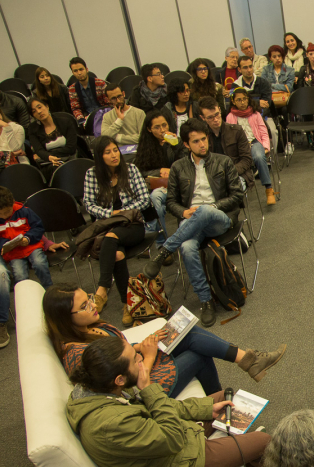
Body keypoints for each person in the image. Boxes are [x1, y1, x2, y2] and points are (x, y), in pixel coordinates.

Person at [65, 336, 271, 467]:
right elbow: (173, 439)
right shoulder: (111, 423)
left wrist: (208, 408)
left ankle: (246, 461)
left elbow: (157, 410)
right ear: (119, 379)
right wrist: (148, 389)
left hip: (161, 446)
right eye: (135, 359)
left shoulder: (101, 388)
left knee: (222, 400)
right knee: (264, 441)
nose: (140, 358)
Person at [44, 284, 287, 398]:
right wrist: (147, 358)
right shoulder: (76, 354)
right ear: (66, 318)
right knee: (198, 355)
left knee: (186, 333)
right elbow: (120, 389)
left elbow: (119, 349)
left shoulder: (89, 326)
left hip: (138, 361)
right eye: (84, 305)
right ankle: (223, 400)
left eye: (89, 298)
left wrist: (141, 345)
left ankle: (248, 360)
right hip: (142, 387)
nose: (93, 304)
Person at [144, 119, 245, 328]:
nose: (202, 144)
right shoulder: (178, 167)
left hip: (220, 217)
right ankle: (205, 300)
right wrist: (183, 211)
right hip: (192, 222)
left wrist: (212, 207)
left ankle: (164, 251)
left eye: (204, 139)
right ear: (186, 145)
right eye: (196, 141)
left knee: (205, 210)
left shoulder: (223, 161)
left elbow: (237, 194)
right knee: (188, 247)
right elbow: (171, 201)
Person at [82, 136, 151, 325]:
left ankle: (102, 289)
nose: (114, 155)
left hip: (133, 225)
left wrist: (123, 214)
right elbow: (88, 204)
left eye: (115, 150)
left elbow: (145, 200)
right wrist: (110, 213)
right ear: (99, 156)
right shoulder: (91, 174)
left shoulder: (131, 170)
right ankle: (127, 304)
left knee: (111, 238)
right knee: (117, 255)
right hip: (107, 225)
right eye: (107, 152)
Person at [0, 186, 53, 349]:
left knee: (39, 263)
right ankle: (27, 305)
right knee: (19, 275)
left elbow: (38, 226)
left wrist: (28, 238)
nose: (5, 216)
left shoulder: (24, 211)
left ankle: (50, 293)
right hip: (13, 253)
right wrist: (5, 245)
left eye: (7, 212)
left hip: (30, 245)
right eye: (1, 214)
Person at [134, 109, 185, 252]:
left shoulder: (177, 142)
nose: (162, 130)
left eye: (164, 125)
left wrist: (175, 146)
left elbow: (187, 164)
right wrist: (159, 171)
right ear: (149, 129)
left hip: (180, 185)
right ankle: (163, 245)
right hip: (160, 186)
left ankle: (171, 243)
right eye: (157, 127)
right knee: (156, 200)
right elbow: (140, 172)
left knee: (158, 205)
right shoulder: (145, 146)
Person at [227, 88, 277, 205]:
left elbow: (263, 131)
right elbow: (230, 135)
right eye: (239, 100)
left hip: (254, 142)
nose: (242, 102)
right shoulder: (230, 116)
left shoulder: (255, 113)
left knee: (259, 157)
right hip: (239, 146)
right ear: (234, 102)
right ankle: (237, 191)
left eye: (244, 99)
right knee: (233, 161)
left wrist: (266, 147)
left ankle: (269, 189)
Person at [197, 97, 254, 195]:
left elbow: (247, 160)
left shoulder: (237, 131)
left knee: (227, 190)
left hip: (238, 174)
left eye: (217, 114)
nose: (215, 119)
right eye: (210, 117)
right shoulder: (202, 137)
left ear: (219, 110)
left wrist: (227, 173)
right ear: (203, 118)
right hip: (212, 177)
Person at [28, 97, 78, 180]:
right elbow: (38, 150)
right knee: (53, 169)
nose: (39, 112)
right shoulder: (32, 129)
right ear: (33, 116)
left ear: (47, 106)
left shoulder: (66, 122)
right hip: (48, 163)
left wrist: (49, 154)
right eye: (34, 111)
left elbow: (71, 147)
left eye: (39, 107)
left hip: (69, 157)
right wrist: (49, 158)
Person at [67, 57, 110, 128]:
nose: (79, 73)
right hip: (86, 119)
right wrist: (81, 118)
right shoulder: (72, 88)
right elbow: (76, 108)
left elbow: (108, 104)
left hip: (105, 115)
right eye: (76, 71)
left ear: (87, 69)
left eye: (81, 69)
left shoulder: (100, 83)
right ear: (73, 73)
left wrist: (98, 116)